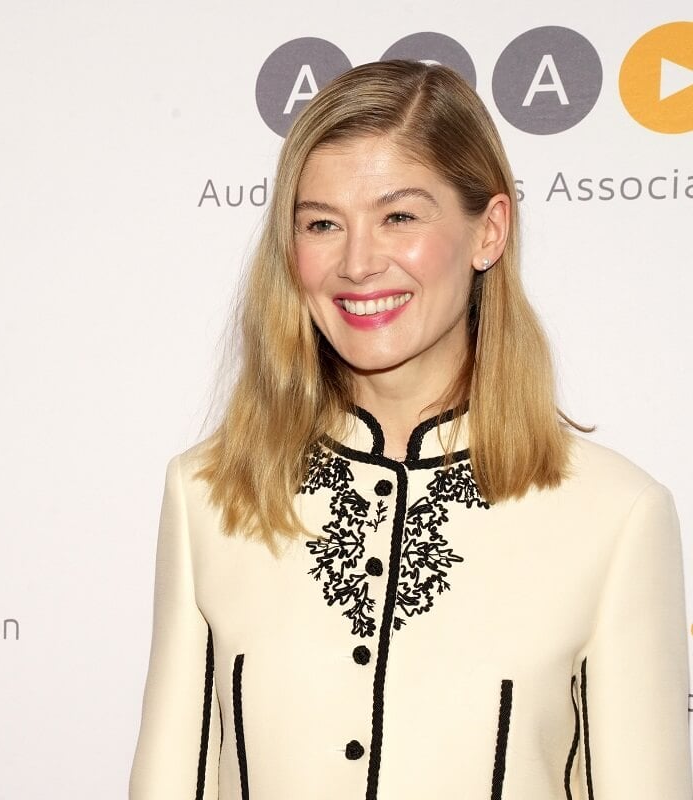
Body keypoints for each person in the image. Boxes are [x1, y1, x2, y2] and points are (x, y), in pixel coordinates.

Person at [129, 60, 691, 800]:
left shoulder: (616, 514)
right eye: (322, 224)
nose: (358, 263)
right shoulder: (207, 493)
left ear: (488, 231)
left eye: (399, 217)